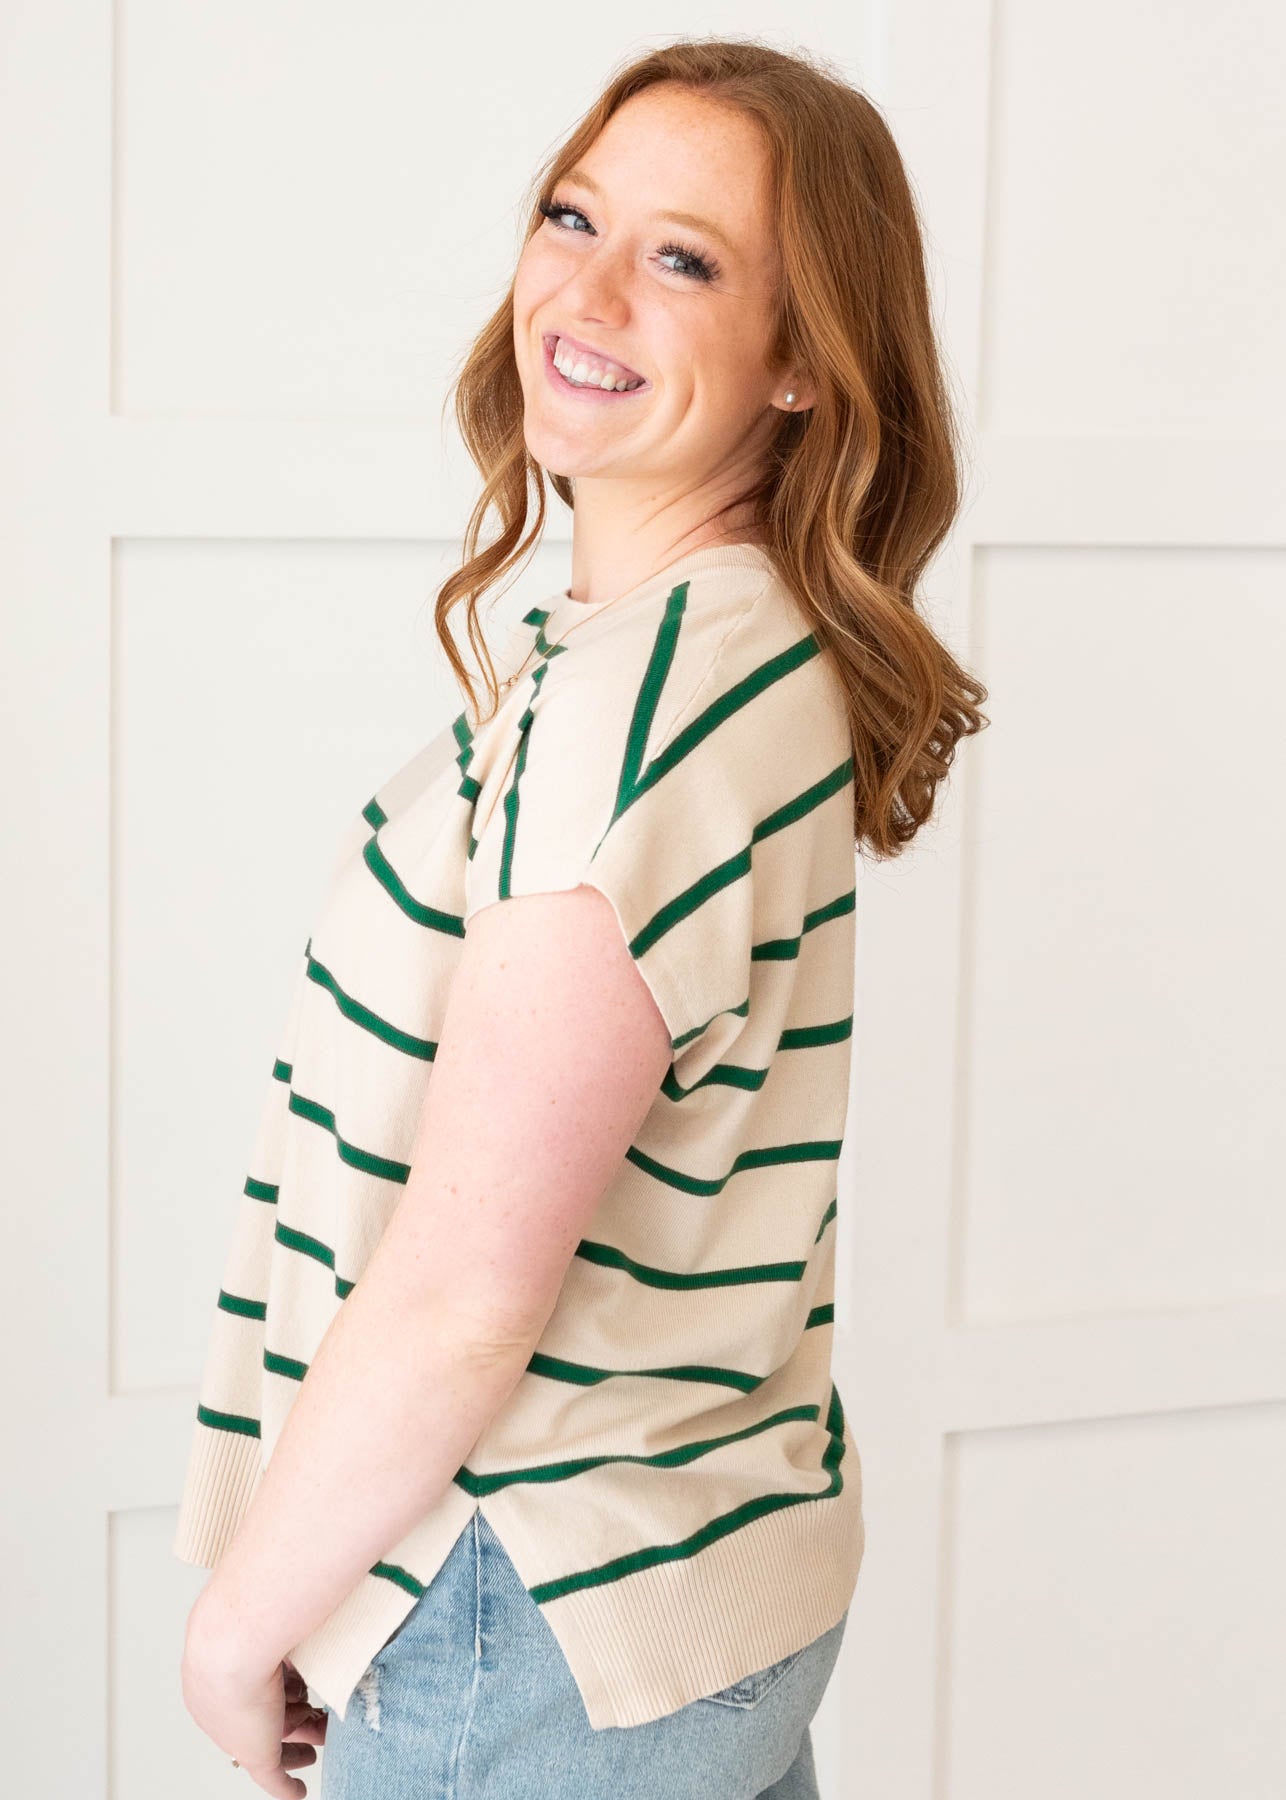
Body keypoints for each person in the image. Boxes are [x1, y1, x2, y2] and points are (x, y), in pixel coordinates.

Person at [173, 35, 988, 1800]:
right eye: (573, 214)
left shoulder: (645, 707)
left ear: (798, 363)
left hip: (522, 1622)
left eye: (685, 258)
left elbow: (469, 1292)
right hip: (684, 1578)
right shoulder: (708, 649)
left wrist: (236, 1635)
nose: (588, 287)